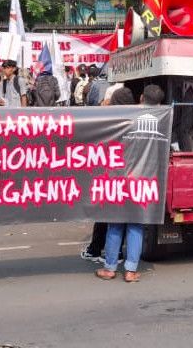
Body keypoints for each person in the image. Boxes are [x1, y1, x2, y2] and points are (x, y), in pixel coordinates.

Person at [96, 85, 162, 283]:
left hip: (116, 180)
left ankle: (110, 268)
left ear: (141, 97)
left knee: (114, 225)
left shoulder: (113, 122)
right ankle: (131, 271)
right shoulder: (157, 121)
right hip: (140, 181)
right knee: (136, 225)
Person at [85, 86, 136, 267]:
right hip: (131, 175)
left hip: (112, 176)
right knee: (130, 221)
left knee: (109, 217)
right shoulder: (137, 119)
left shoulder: (109, 119)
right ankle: (124, 260)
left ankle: (103, 254)